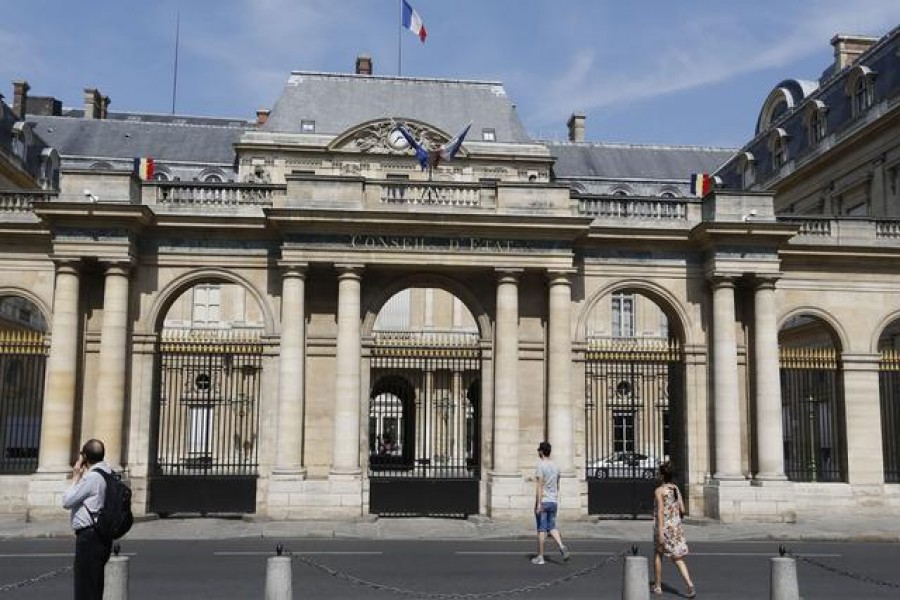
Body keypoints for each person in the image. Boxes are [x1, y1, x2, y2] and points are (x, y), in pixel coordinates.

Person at [62, 439, 113, 600]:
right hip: (101, 535)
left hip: (89, 537)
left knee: (85, 590)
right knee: (94, 586)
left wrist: (76, 476)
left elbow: (67, 501)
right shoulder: (108, 473)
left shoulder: (92, 478)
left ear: (84, 457)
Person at [652, 461, 695, 597]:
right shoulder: (675, 489)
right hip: (676, 527)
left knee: (658, 555)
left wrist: (660, 532)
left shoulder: (659, 491)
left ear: (662, 475)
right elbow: (682, 508)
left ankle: (658, 586)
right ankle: (689, 584)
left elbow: (660, 511)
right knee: (678, 558)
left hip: (664, 527)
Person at [531, 441, 570, 565]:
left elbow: (540, 485)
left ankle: (541, 557)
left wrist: (538, 504)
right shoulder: (556, 466)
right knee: (552, 527)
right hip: (553, 500)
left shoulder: (541, 466)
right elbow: (557, 485)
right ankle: (562, 546)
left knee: (541, 529)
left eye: (539, 450)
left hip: (544, 501)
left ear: (541, 452)